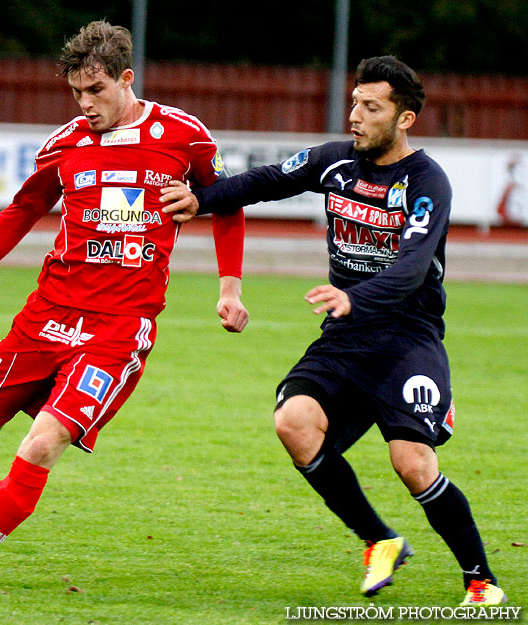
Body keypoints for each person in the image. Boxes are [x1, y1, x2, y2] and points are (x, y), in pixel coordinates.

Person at [0, 20, 249, 593]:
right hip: (45, 316)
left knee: (42, 441)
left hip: (118, 329)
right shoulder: (65, 145)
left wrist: (228, 287)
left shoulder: (185, 137)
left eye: (96, 91)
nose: (86, 105)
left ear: (126, 80)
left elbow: (227, 204)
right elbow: (18, 214)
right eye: (77, 94)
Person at [160, 56, 506, 607]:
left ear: (405, 118)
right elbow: (266, 181)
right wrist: (203, 200)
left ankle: (482, 581)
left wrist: (354, 296)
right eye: (355, 103)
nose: (356, 116)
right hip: (345, 336)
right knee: (293, 422)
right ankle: (380, 540)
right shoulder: (335, 162)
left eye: (371, 107)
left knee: (411, 463)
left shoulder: (426, 181)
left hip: (407, 336)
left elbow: (414, 266)